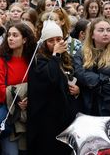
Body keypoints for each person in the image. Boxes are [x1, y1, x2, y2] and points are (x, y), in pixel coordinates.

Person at [73, 18, 110, 148]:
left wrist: (92, 87)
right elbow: (80, 74)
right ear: (92, 34)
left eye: (108, 30)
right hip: (87, 109)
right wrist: (105, 79)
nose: (106, 33)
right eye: (101, 30)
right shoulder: (81, 53)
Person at [27, 21, 79, 155]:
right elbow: (50, 78)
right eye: (51, 40)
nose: (56, 43)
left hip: (65, 115)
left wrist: (78, 90)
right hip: (47, 118)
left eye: (59, 39)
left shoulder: (66, 57)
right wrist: (55, 55)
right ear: (44, 43)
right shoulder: (39, 60)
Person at [0, 22, 36, 154]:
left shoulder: (32, 60)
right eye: (9, 35)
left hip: (30, 116)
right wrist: (17, 102)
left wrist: (29, 100)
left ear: (24, 39)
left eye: (15, 35)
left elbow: (38, 85)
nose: (10, 38)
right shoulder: (2, 60)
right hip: (9, 117)